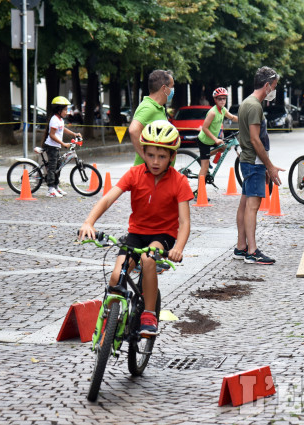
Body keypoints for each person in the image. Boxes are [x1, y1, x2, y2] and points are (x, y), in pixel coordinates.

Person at [78, 120, 193, 336]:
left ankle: (149, 313)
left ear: (172, 157)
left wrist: (178, 248)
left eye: (162, 156)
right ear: (143, 153)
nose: (155, 161)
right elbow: (107, 199)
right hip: (136, 234)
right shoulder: (135, 174)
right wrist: (89, 222)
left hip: (163, 235)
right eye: (150, 155)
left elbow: (185, 222)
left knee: (149, 259)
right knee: (115, 276)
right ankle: (110, 322)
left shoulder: (180, 181)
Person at [233, 66, 284, 265]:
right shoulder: (255, 106)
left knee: (245, 204)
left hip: (249, 161)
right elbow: (255, 140)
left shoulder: (247, 102)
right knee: (252, 207)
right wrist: (269, 166)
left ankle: (240, 247)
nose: (274, 90)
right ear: (266, 85)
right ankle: (252, 251)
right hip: (253, 163)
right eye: (274, 86)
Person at [129, 70, 175, 166]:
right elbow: (133, 130)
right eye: (172, 86)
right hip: (148, 175)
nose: (173, 90)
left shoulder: (158, 107)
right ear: (164, 88)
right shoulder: (148, 107)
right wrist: (147, 158)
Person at [42, 96, 82, 198]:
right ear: (59, 110)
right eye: (65, 110)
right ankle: (50, 189)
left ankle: (56, 186)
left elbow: (63, 129)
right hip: (51, 147)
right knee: (52, 167)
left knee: (58, 166)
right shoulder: (54, 120)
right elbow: (52, 135)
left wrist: (74, 134)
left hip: (56, 147)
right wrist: (63, 144)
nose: (66, 112)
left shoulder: (60, 120)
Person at [197, 87, 238, 181]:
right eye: (220, 98)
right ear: (215, 99)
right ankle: (199, 193)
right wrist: (216, 140)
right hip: (204, 140)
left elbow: (232, 117)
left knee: (226, 146)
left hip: (213, 138)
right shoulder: (212, 112)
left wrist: (245, 121)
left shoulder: (223, 110)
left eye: (224, 98)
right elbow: (204, 128)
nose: (222, 101)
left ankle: (205, 156)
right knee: (205, 167)